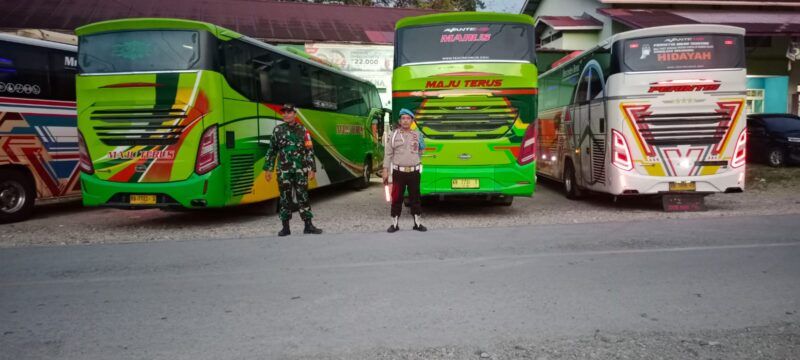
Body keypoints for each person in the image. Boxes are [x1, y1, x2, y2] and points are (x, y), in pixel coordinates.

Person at [264, 104, 323, 236]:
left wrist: (312, 168)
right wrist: (268, 169)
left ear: (295, 114)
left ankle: (308, 225)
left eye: (289, 112)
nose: (285, 114)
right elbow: (272, 151)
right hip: (284, 171)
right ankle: (285, 227)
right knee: (285, 198)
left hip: (300, 171)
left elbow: (309, 150)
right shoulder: (277, 130)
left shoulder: (303, 130)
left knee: (303, 197)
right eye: (284, 112)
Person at [382, 108, 427, 233]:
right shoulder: (393, 135)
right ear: (399, 121)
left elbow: (421, 152)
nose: (405, 121)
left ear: (412, 120)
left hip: (414, 172)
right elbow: (388, 154)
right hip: (398, 172)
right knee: (396, 198)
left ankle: (417, 224)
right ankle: (394, 224)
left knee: (415, 198)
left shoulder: (418, 135)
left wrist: (421, 146)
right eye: (403, 118)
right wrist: (385, 170)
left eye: (408, 118)